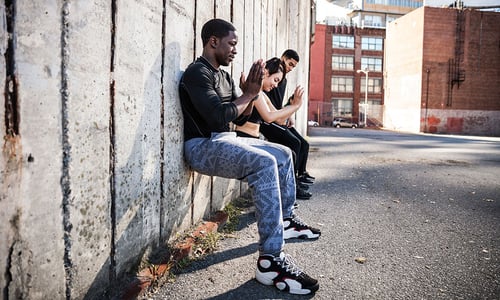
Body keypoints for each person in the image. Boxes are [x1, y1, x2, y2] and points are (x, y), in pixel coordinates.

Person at [179, 19, 320, 295]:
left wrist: (247, 96)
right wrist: (249, 95)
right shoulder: (197, 73)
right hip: (200, 146)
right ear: (213, 42)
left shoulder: (225, 76)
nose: (234, 50)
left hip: (225, 140)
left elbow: (240, 115)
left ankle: (286, 219)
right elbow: (219, 115)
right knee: (264, 163)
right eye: (231, 44)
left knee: (283, 153)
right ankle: (271, 260)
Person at [234, 57, 312, 200]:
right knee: (283, 156)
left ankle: (286, 196)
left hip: (254, 140)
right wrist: (294, 106)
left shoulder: (262, 94)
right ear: (265, 73)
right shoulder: (255, 91)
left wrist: (292, 106)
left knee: (288, 154)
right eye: (275, 80)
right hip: (245, 139)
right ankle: (284, 198)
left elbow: (280, 119)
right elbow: (269, 117)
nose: (276, 86)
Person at [260, 50, 316, 186]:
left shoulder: (281, 80)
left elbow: (277, 106)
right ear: (283, 58)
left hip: (275, 116)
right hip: (267, 119)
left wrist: (289, 111)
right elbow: (269, 112)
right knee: (295, 143)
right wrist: (292, 108)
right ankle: (292, 182)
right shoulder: (273, 74)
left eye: (293, 67)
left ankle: (299, 175)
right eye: (290, 64)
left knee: (304, 143)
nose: (290, 68)